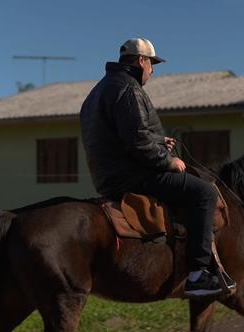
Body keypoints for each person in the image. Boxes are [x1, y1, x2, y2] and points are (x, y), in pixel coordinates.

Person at [79, 37, 222, 297]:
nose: (153, 70)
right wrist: (168, 161)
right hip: (135, 176)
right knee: (206, 193)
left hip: (108, 177)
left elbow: (122, 135)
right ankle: (198, 274)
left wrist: (158, 140)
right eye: (152, 63)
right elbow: (137, 141)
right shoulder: (129, 89)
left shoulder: (98, 91)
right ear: (141, 61)